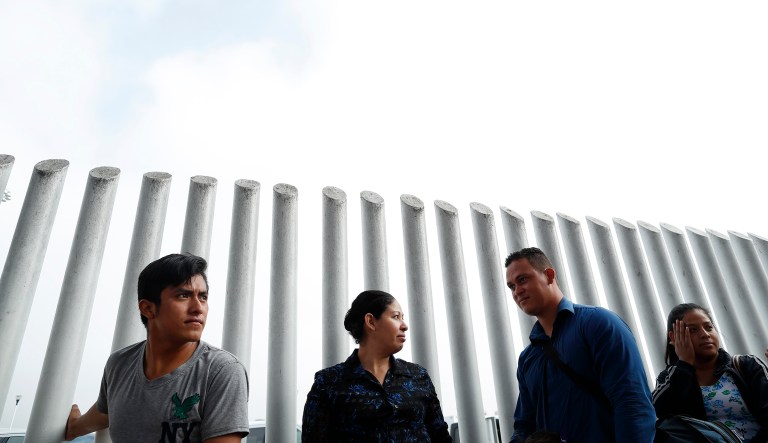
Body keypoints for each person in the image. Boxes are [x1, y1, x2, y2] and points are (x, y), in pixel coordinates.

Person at [64, 253, 249, 442]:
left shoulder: (222, 370)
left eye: (203, 297)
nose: (198, 308)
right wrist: (76, 427)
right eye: (183, 295)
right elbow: (106, 411)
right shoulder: (119, 364)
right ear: (148, 309)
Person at [505, 247, 655, 443]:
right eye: (511, 286)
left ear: (549, 275)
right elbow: (524, 426)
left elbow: (632, 403)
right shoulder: (527, 358)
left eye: (523, 279)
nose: (517, 291)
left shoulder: (599, 323)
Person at [301, 289, 452, 442]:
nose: (404, 326)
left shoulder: (418, 376)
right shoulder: (328, 382)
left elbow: (440, 436)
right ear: (371, 321)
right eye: (396, 317)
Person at [652, 303, 768, 442]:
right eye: (693, 330)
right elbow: (661, 415)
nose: (705, 334)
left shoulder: (746, 365)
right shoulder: (669, 379)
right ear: (674, 337)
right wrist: (684, 365)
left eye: (709, 327)